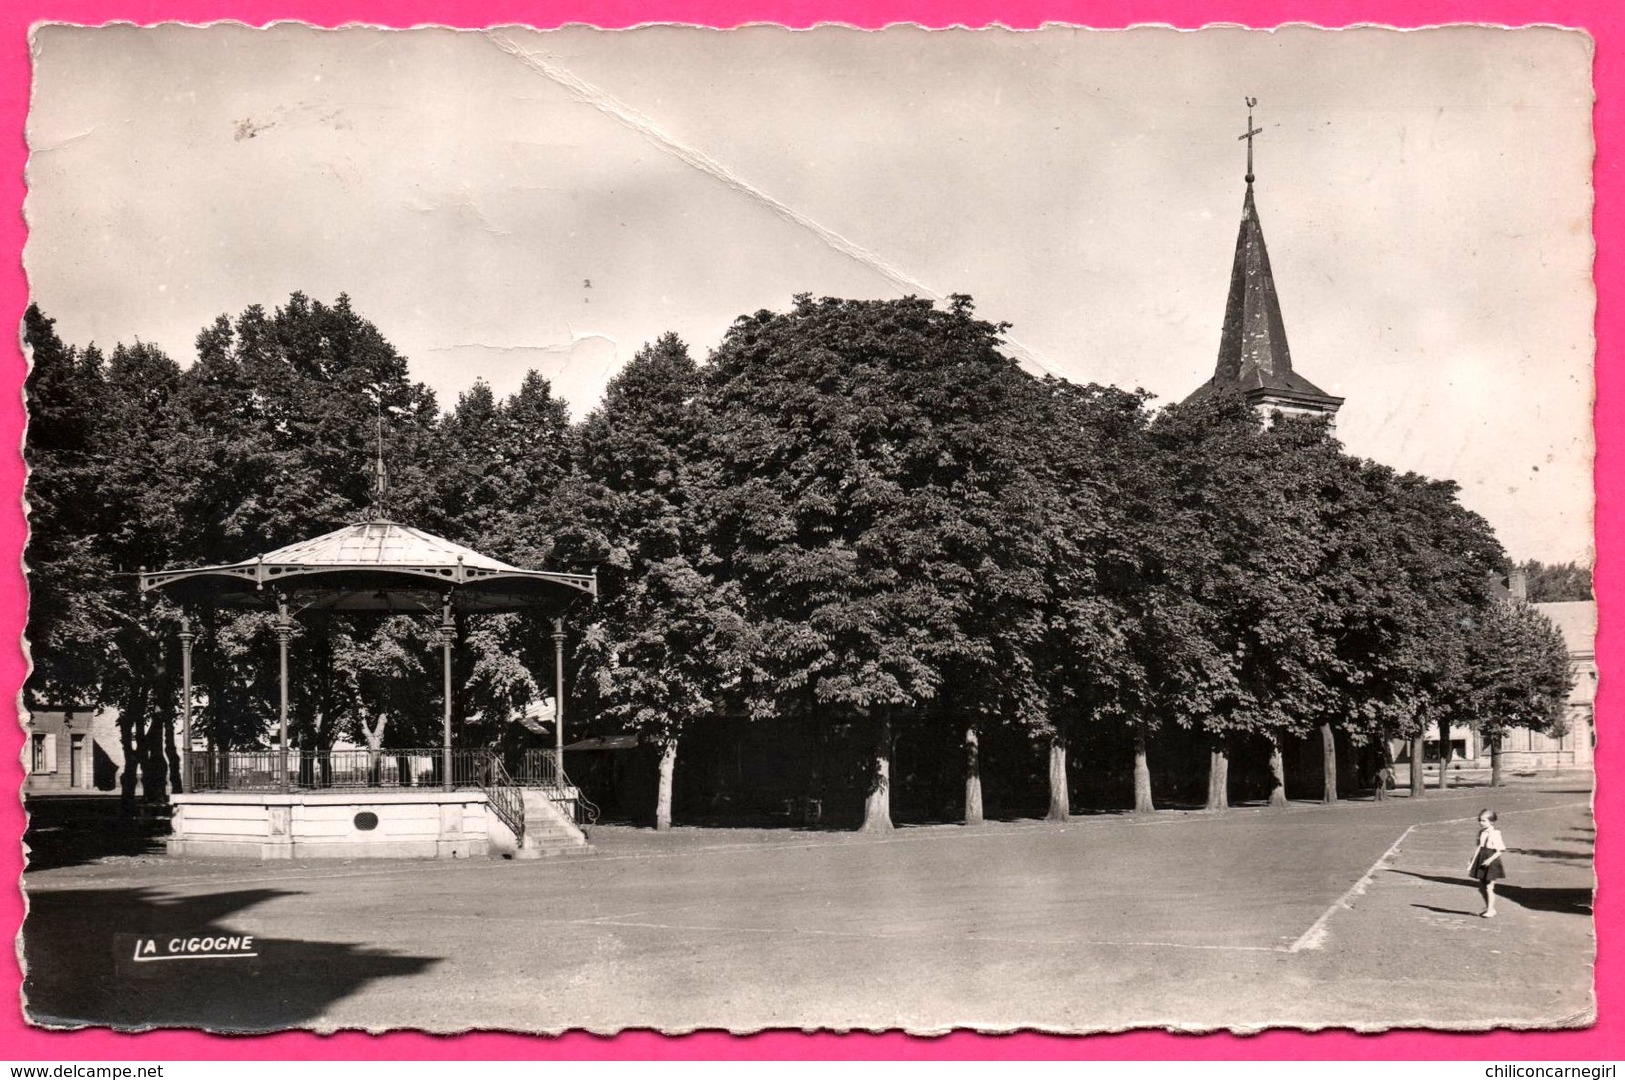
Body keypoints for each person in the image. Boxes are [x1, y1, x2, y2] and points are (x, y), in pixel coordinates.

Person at [1469, 808, 1508, 917]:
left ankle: (1491, 910)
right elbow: (1479, 847)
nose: (1481, 823)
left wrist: (1489, 860)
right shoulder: (1481, 832)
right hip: (1481, 858)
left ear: (1491, 821)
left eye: (1484, 821)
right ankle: (1488, 907)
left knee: (1489, 886)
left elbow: (1500, 850)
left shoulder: (1495, 833)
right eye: (1480, 820)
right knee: (1482, 886)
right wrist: (1472, 859)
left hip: (1491, 860)